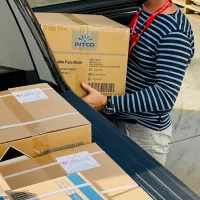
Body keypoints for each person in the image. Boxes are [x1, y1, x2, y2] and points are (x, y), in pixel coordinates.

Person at [81, 0, 195, 165]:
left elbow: (165, 95)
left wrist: (108, 102)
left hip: (142, 131)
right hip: (119, 118)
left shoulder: (175, 33)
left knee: (141, 187)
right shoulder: (144, 9)